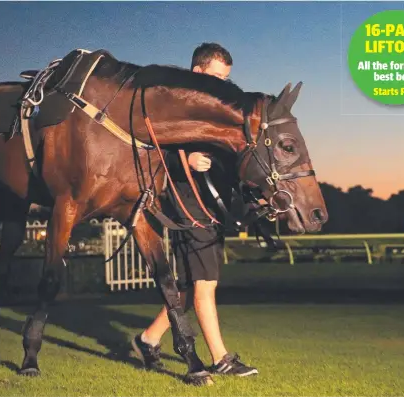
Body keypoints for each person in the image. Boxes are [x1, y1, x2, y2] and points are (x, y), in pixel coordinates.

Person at [131, 43, 258, 377]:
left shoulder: (216, 107)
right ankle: (221, 358)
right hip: (184, 199)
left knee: (190, 285)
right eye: (217, 76)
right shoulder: (170, 106)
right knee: (205, 282)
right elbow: (149, 150)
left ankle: (148, 339)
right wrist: (183, 160)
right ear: (198, 72)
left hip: (213, 202)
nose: (224, 84)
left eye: (227, 78)